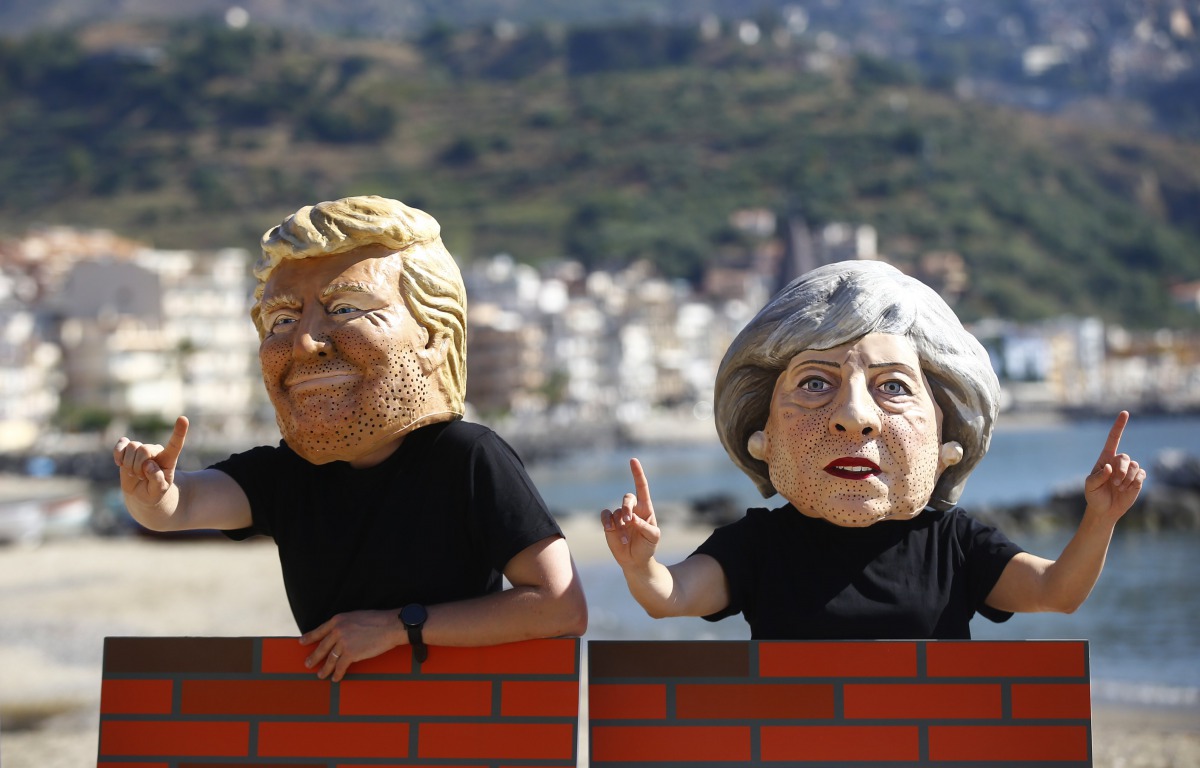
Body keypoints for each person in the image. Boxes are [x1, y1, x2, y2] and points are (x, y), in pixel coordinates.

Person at [114, 195, 587, 681]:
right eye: (282, 320)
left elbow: (561, 607)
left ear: (432, 337)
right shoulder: (289, 474)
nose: (304, 342)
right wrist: (151, 491)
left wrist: (398, 628)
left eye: (344, 308)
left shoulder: (467, 458)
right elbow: (182, 505)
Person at [602, 259, 1144, 639]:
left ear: (946, 435)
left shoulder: (956, 545)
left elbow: (1056, 592)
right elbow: (670, 596)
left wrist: (1100, 517)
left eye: (893, 387)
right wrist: (640, 563)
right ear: (760, 434)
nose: (855, 417)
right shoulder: (759, 547)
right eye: (815, 383)